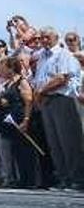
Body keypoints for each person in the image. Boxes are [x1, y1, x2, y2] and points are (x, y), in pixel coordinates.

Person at [32, 26, 84, 190]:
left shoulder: (63, 54)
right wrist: (39, 94)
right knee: (55, 143)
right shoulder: (42, 58)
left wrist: (41, 91)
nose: (44, 41)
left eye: (47, 37)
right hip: (47, 102)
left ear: (56, 37)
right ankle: (64, 178)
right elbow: (39, 80)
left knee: (69, 141)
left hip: (62, 99)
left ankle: (77, 179)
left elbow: (62, 77)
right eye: (41, 38)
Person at [0, 56, 38, 189]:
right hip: (9, 123)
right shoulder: (7, 84)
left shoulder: (21, 81)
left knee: (26, 151)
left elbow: (28, 101)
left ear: (11, 68)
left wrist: (26, 120)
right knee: (17, 152)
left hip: (20, 121)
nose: (0, 70)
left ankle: (30, 180)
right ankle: (22, 179)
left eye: (3, 67)